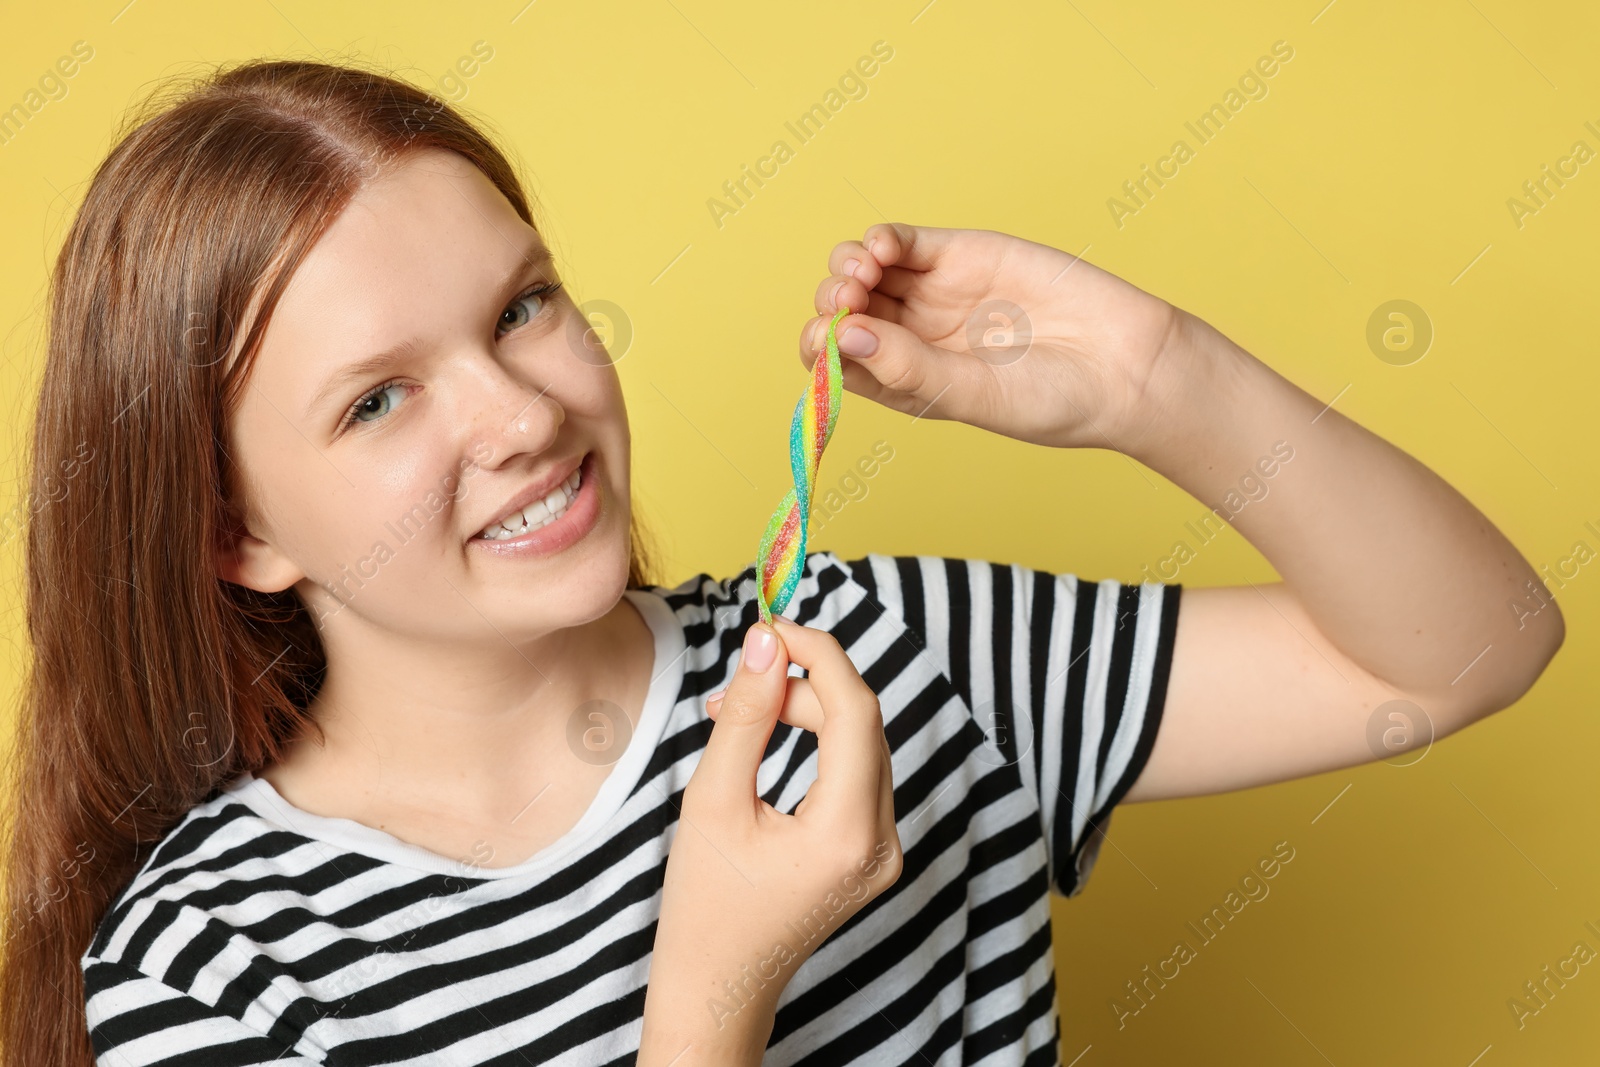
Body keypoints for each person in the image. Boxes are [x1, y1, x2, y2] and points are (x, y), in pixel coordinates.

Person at [0, 58, 1563, 1067]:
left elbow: (1472, 646)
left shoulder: (887, 653)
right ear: (238, 531)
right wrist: (713, 987)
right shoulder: (213, 973)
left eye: (521, 308)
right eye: (379, 398)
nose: (523, 413)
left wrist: (1162, 381)